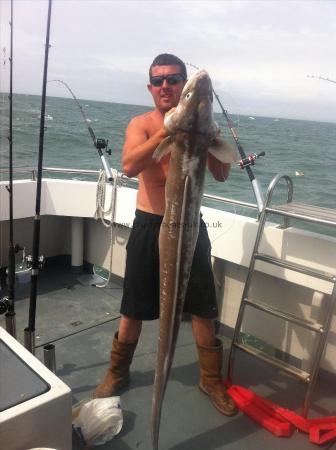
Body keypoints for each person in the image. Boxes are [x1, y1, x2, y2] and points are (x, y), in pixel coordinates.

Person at [93, 54, 237, 417]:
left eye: (173, 79)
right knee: (133, 309)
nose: (166, 86)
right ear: (150, 87)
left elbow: (221, 174)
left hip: (190, 225)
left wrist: (208, 133)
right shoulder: (142, 124)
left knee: (203, 307)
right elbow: (127, 165)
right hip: (149, 224)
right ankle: (117, 373)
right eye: (158, 81)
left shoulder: (203, 125)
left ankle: (211, 379)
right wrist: (169, 129)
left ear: (184, 84)